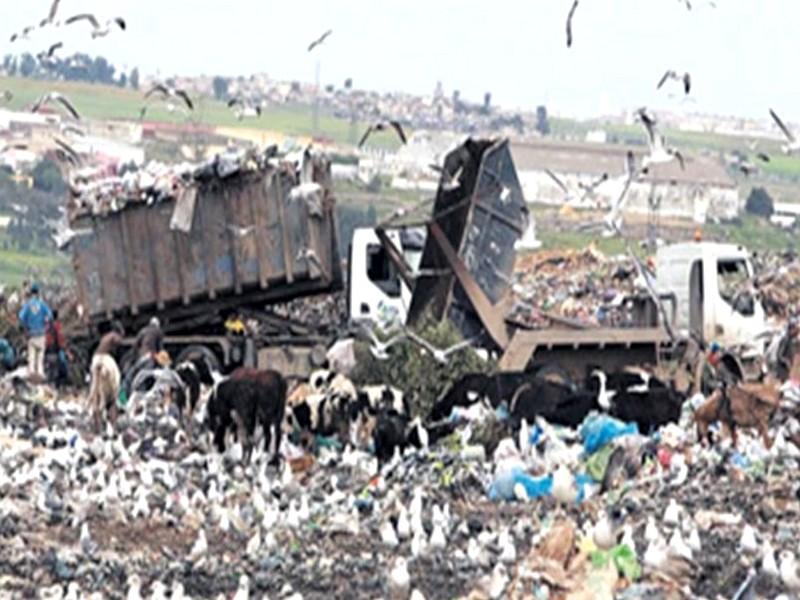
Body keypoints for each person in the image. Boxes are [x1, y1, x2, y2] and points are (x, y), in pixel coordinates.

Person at [18, 284, 52, 380]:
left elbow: (21, 317)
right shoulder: (42, 304)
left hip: (31, 334)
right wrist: (46, 325)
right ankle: (40, 373)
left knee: (31, 357)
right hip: (41, 333)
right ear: (38, 293)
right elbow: (50, 316)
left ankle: (32, 373)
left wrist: (25, 327)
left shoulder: (28, 305)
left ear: (31, 293)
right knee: (40, 357)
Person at [45, 309, 69, 386]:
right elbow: (60, 338)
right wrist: (65, 349)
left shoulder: (46, 326)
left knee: (51, 368)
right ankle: (63, 379)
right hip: (55, 349)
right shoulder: (56, 326)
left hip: (48, 350)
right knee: (62, 363)